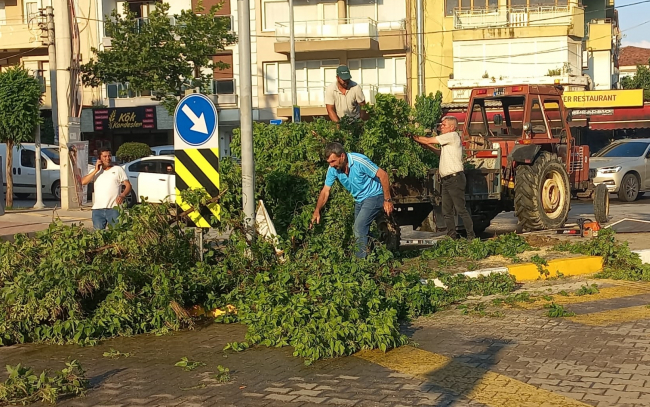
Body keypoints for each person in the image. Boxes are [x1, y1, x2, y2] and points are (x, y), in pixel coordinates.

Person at [311, 142, 393, 258]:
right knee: (361, 231)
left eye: (333, 161)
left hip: (375, 195)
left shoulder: (359, 161)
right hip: (359, 199)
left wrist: (387, 200)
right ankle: (379, 255)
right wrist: (317, 210)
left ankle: (360, 266)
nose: (331, 165)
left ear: (342, 156)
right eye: (329, 162)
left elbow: (383, 175)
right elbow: (325, 191)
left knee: (359, 228)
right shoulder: (332, 169)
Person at [411, 116, 476, 240]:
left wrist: (414, 137)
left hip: (455, 179)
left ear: (452, 127)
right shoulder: (448, 141)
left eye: (444, 125)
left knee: (460, 209)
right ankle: (452, 236)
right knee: (446, 210)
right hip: (447, 180)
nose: (441, 127)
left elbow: (429, 140)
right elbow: (440, 153)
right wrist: (428, 147)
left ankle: (471, 237)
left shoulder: (452, 136)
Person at [81, 149, 132, 230]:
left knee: (116, 233)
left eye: (109, 156)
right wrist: (96, 170)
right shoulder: (95, 171)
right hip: (98, 210)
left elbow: (128, 185)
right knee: (98, 236)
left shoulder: (118, 169)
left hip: (114, 209)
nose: (107, 158)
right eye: (105, 156)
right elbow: (83, 182)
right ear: (99, 158)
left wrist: (123, 195)